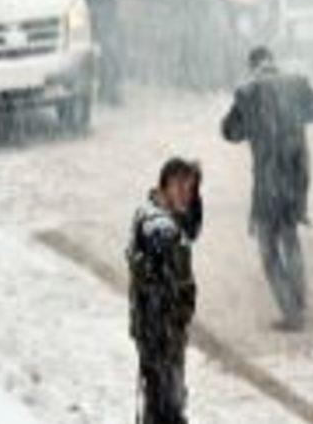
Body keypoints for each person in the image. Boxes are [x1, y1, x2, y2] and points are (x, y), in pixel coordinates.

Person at [221, 47, 313, 331]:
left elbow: (229, 132)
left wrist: (252, 120)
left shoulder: (249, 93)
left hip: (268, 183)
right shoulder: (296, 85)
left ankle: (292, 313)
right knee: (290, 239)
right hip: (296, 179)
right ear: (273, 62)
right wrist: (295, 112)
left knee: (269, 250)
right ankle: (300, 301)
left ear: (252, 66)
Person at [127, 158, 203, 424]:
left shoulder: (154, 214)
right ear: (164, 186)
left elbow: (190, 230)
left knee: (162, 404)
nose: (186, 195)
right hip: (160, 332)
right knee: (166, 408)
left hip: (161, 331)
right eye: (179, 186)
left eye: (190, 189)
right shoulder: (159, 226)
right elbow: (164, 244)